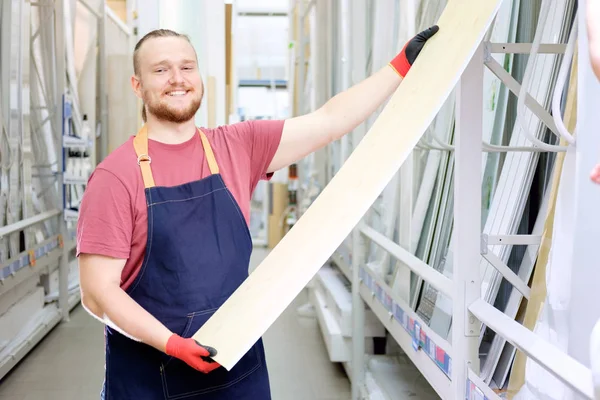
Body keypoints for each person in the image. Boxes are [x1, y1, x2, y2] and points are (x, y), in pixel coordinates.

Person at [76, 25, 438, 399]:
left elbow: (330, 121)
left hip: (237, 372)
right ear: (138, 85)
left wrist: (400, 65)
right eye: (161, 70)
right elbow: (97, 292)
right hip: (150, 379)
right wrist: (171, 344)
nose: (177, 79)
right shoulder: (115, 176)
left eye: (187, 67)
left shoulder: (238, 147)